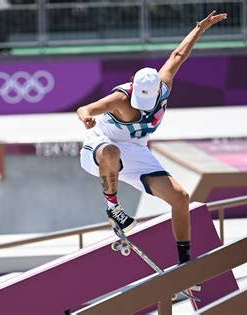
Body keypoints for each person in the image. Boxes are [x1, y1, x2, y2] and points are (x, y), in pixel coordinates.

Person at [77, 11, 227, 264]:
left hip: (136, 151)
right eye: (139, 101)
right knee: (112, 151)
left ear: (158, 90)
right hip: (100, 148)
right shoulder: (121, 98)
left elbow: (178, 56)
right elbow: (86, 108)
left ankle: (184, 261)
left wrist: (200, 28)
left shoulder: (164, 84)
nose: (143, 108)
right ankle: (114, 210)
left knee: (180, 198)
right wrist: (87, 119)